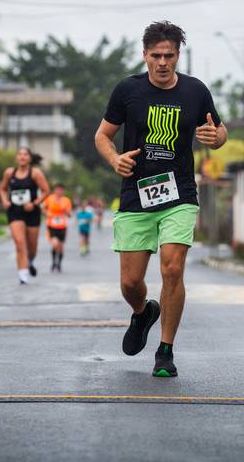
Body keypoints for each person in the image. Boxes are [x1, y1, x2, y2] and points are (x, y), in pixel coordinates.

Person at [94, 20, 227, 377]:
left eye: (169, 55)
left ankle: (165, 351)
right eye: (156, 56)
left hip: (179, 192)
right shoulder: (128, 90)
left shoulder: (195, 91)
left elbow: (219, 130)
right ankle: (143, 313)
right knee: (130, 283)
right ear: (145, 55)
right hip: (136, 194)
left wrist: (215, 138)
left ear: (178, 55)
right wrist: (115, 160)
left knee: (172, 267)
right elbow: (102, 136)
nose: (163, 62)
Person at [0, 147, 50, 284]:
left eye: (25, 154)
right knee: (19, 243)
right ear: (16, 157)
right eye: (19, 154)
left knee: (32, 247)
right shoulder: (9, 173)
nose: (22, 157)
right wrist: (4, 200)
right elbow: (2, 188)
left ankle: (30, 260)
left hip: (32, 212)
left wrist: (34, 203)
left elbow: (46, 191)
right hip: (15, 211)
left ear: (30, 158)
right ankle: (23, 274)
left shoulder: (35, 173)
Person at [42, 183, 72, 272]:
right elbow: (43, 208)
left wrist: (66, 211)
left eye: (61, 190)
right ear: (54, 190)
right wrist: (47, 213)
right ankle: (53, 262)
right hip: (52, 225)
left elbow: (69, 214)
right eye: (57, 189)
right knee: (55, 244)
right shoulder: (49, 199)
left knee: (61, 247)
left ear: (63, 191)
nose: (59, 191)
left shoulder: (66, 200)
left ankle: (59, 263)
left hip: (62, 226)